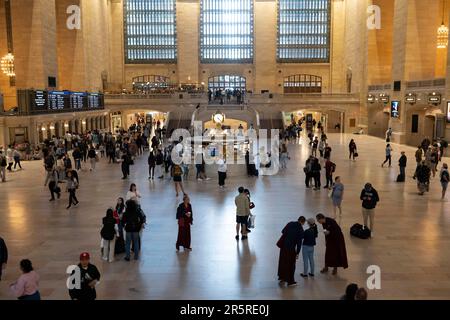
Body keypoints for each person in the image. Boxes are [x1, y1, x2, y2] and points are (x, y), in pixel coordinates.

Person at [277, 217, 304, 286]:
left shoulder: (290, 223)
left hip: (283, 247)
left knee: (283, 262)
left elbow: (283, 231)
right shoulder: (300, 229)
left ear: (298, 220)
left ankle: (282, 277)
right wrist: (297, 252)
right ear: (303, 222)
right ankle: (290, 281)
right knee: (291, 264)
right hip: (291, 249)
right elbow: (299, 243)